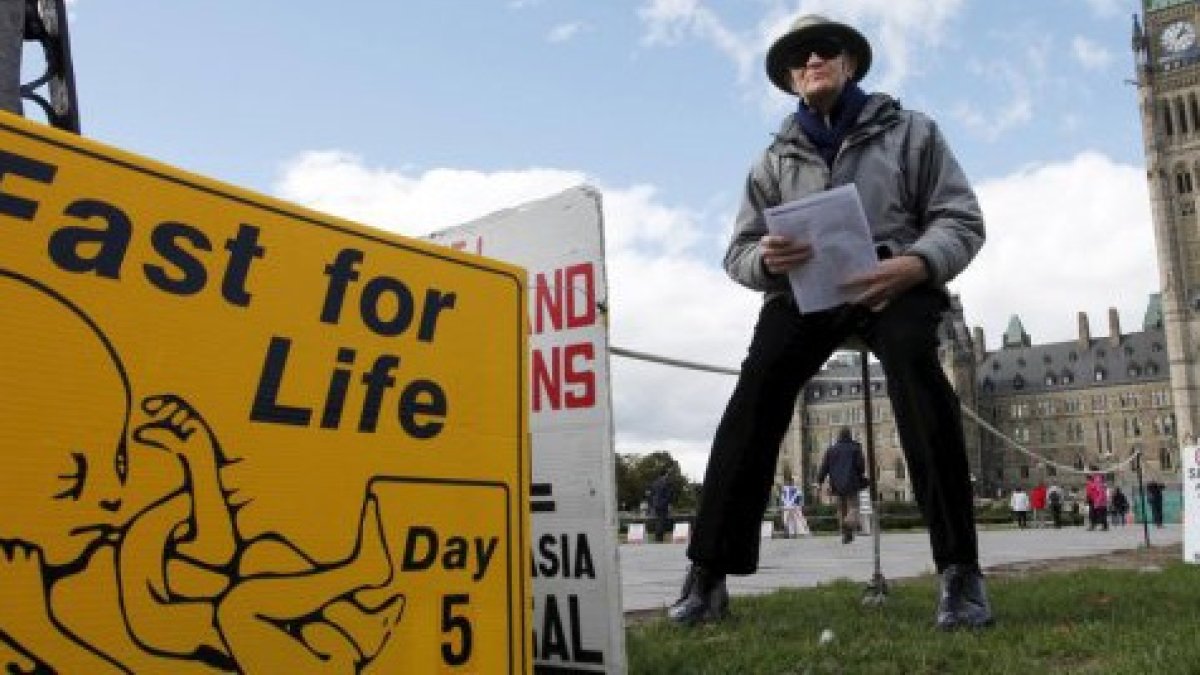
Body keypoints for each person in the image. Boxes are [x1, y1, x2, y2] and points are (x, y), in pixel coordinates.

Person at [667, 14, 990, 631]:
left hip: (893, 281)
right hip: (805, 293)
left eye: (825, 50)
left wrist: (918, 263)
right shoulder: (773, 159)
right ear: (791, 79)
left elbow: (961, 219)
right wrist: (764, 259)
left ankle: (960, 573)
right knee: (755, 391)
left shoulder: (913, 133)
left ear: (849, 64)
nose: (812, 58)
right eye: (798, 56)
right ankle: (707, 575)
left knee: (920, 377)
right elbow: (737, 251)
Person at [816, 427, 867, 544]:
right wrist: (859, 475)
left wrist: (819, 482)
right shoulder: (856, 448)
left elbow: (824, 468)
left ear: (839, 436)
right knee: (854, 507)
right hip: (852, 483)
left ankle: (846, 535)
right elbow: (861, 467)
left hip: (836, 484)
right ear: (850, 435)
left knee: (841, 509)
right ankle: (847, 523)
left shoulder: (831, 450)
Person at [648, 469, 674, 543]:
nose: (668, 476)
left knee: (658, 520)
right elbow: (669, 495)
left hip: (655, 504)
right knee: (662, 521)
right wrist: (668, 503)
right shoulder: (666, 483)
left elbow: (651, 494)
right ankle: (659, 538)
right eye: (667, 474)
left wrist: (652, 504)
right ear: (665, 474)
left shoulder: (655, 483)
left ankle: (658, 537)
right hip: (663, 504)